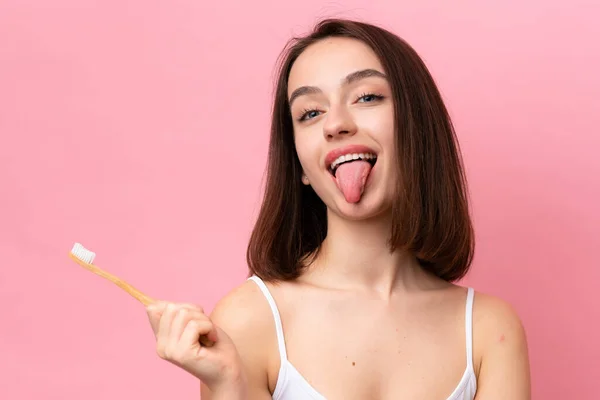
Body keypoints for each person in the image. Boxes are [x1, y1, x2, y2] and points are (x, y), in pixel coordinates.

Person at [145, 18, 531, 399]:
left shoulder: (488, 331)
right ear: (302, 168)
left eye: (367, 97)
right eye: (310, 113)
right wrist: (229, 387)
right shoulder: (250, 320)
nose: (336, 125)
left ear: (417, 128)